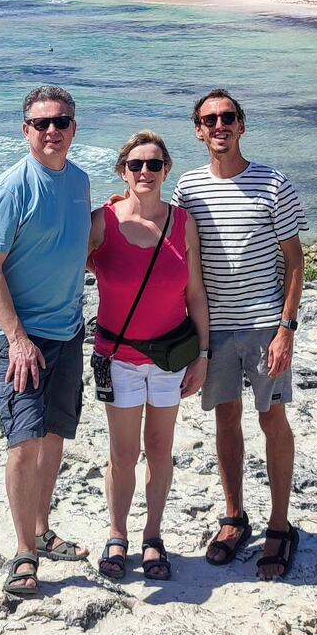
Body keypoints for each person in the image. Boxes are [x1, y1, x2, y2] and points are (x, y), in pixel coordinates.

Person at [174, 89, 308, 581]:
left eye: (228, 117)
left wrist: (286, 329)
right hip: (214, 327)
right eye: (210, 119)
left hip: (264, 325)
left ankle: (279, 525)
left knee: (273, 419)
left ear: (242, 125)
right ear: (198, 130)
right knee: (225, 420)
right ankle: (234, 517)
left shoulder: (274, 184)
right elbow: (180, 257)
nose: (219, 125)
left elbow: (295, 262)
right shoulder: (187, 187)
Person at [0, 86, 92, 599]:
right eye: (41, 123)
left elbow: (83, 244)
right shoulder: (13, 187)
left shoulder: (81, 182)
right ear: (25, 130)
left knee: (54, 436)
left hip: (69, 330)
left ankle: (43, 531)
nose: (52, 131)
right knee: (23, 442)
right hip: (22, 338)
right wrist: (17, 338)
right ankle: (24, 552)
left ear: (73, 127)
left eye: (61, 121)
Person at [87, 132, 209, 581]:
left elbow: (196, 293)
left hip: (170, 358)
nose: (144, 172)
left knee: (160, 449)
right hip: (117, 356)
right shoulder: (102, 222)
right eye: (136, 165)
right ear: (123, 171)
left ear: (166, 171)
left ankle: (152, 536)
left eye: (153, 165)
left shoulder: (183, 223)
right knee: (122, 453)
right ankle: (117, 534)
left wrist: (204, 354)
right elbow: (62, 262)